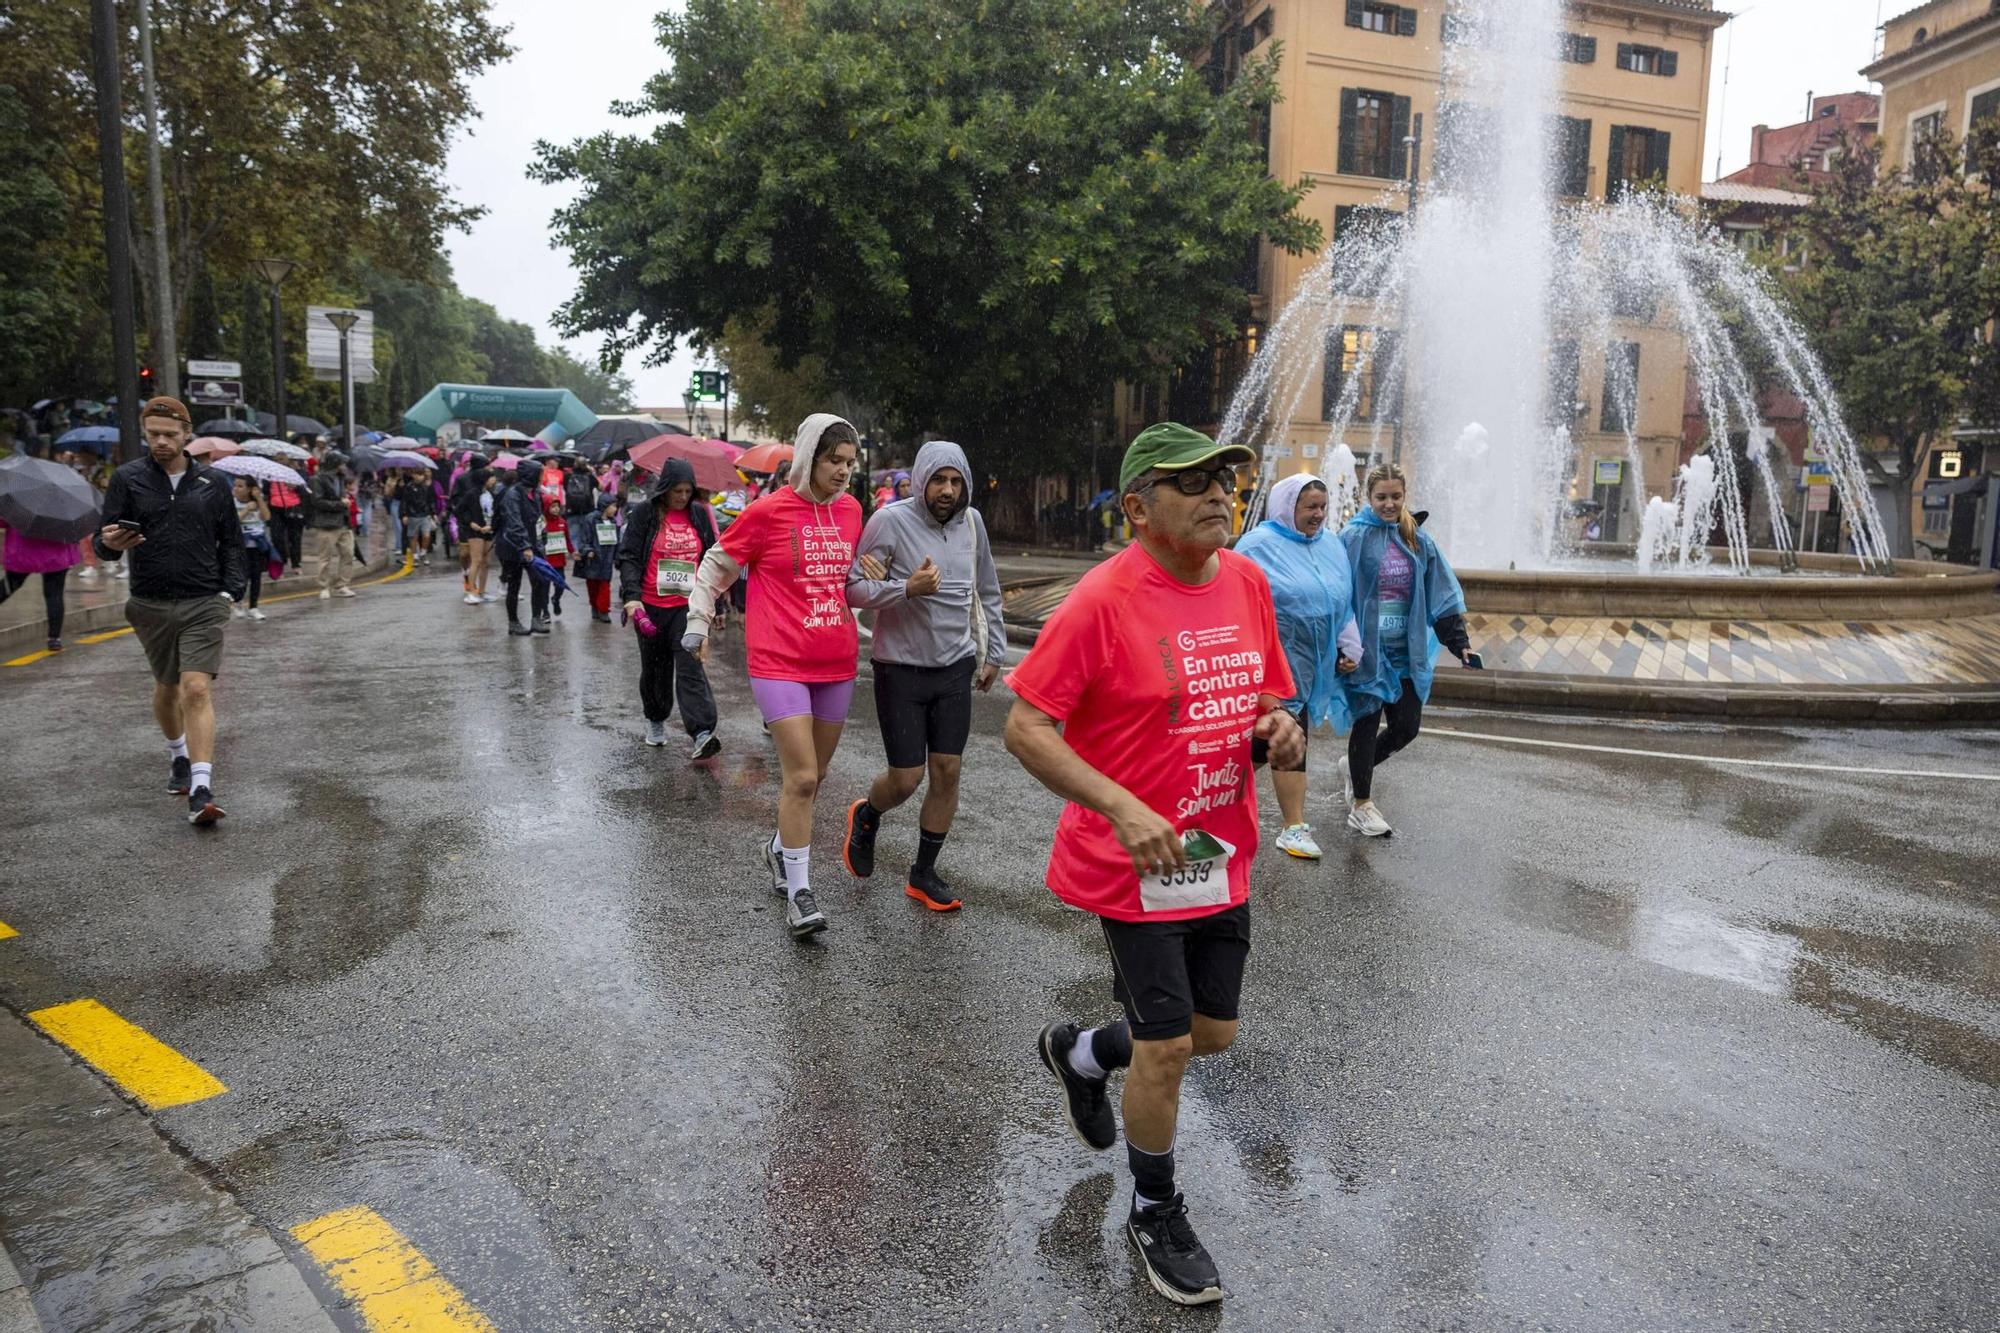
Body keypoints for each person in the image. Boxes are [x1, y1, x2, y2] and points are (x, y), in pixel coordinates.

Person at [1003, 421, 1302, 1308]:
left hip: (1218, 851)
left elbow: (1265, 693)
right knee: (1169, 1047)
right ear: (1138, 507)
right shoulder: (1102, 599)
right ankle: (1155, 1206)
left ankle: (1083, 1053)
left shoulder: (1247, 580)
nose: (1220, 491)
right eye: (1194, 481)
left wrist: (1277, 723)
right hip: (1135, 860)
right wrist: (1124, 807)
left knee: (1212, 1035)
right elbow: (1025, 725)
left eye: (1226, 478)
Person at [685, 414, 866, 939]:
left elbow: (850, 580)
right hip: (779, 661)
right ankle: (800, 893)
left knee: (815, 778)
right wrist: (698, 622)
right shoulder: (768, 513)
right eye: (835, 461)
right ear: (811, 458)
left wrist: (890, 583)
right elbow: (717, 566)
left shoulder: (852, 512)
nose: (843, 473)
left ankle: (779, 848)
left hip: (836, 662)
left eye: (850, 464)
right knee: (803, 777)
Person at [840, 441, 1005, 912]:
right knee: (906, 778)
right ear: (921, 480)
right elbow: (855, 588)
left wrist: (992, 652)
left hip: (955, 666)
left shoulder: (973, 524)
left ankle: (923, 873)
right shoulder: (889, 523)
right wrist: (906, 588)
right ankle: (868, 815)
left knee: (948, 771)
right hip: (901, 669)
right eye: (938, 480)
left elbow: (988, 590)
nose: (947, 491)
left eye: (955, 482)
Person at [93, 396, 245, 826]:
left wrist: (229, 593)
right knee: (166, 688)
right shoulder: (128, 479)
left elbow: (231, 542)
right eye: (153, 434)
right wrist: (109, 544)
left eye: (169, 435)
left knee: (195, 688)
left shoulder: (213, 484)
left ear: (186, 435)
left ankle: (201, 787)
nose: (160, 442)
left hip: (204, 601)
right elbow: (101, 541)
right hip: (149, 602)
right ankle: (178, 754)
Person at [1233, 473, 1363, 860]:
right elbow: (1232, 597)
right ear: (1288, 507)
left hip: (1312, 666)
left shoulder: (1331, 545)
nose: (1319, 514)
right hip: (1269, 667)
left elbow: (1342, 599)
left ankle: (1203, 805)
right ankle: (1292, 826)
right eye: (1310, 507)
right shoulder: (1257, 546)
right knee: (1283, 742)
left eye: (1323, 506)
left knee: (1263, 747)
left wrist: (1349, 643)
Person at [1335, 462, 1469, 838]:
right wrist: (1338, 647)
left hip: (1405, 652)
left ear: (1404, 496)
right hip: (1366, 651)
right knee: (1366, 719)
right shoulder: (1353, 537)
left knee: (1406, 728)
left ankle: (1355, 766)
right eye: (1381, 497)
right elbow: (1337, 594)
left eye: (1396, 496)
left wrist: (1459, 643)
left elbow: (1441, 592)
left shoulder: (1417, 538)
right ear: (1369, 497)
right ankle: (1361, 804)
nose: (1389, 504)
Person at [616, 458, 721, 756]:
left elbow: (713, 560)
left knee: (690, 665)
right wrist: (632, 596)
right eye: (678, 491)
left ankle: (701, 732)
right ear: (664, 490)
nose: (683, 497)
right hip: (649, 606)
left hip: (687, 608)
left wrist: (716, 604)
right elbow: (629, 557)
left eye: (688, 491)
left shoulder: (698, 515)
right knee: (655, 668)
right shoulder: (645, 515)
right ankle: (656, 719)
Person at [1, 521, 80, 651]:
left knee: (8, 586)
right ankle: (54, 639)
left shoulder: (17, 501)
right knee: (54, 595)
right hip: (56, 552)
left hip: (22, 550)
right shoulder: (63, 502)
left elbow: (3, 521)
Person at [495, 458, 552, 636]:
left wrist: (542, 539)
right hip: (512, 547)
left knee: (540, 581)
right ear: (531, 475)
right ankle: (513, 622)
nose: (542, 477)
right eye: (540, 473)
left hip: (532, 544)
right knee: (514, 584)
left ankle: (536, 618)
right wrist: (525, 546)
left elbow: (538, 519)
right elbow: (514, 522)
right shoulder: (513, 494)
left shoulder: (534, 494)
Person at [306, 451, 357, 599]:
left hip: (343, 522)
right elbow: (317, 502)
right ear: (335, 464)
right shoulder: (317, 479)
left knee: (348, 554)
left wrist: (344, 501)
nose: (344, 466)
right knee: (325, 557)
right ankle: (324, 586)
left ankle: (343, 585)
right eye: (342, 463)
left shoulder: (341, 478)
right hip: (326, 524)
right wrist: (340, 504)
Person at [451, 457, 495, 604]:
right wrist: (469, 522)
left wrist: (493, 524)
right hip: (471, 528)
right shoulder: (465, 484)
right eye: (487, 468)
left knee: (486, 561)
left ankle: (481, 591)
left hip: (487, 529)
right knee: (471, 557)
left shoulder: (489, 493)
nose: (491, 472)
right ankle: (470, 589)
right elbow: (458, 507)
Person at [229, 476, 274, 621]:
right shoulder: (231, 502)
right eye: (235, 485)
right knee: (241, 576)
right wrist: (247, 509)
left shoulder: (256, 502)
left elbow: (266, 517)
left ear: (249, 489)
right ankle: (237, 603)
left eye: (240, 486)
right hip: (240, 545)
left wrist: (259, 499)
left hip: (257, 544)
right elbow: (233, 522)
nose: (236, 488)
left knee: (256, 576)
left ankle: (254, 607)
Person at [572, 487, 619, 623]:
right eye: (613, 506)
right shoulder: (590, 519)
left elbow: (616, 541)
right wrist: (588, 550)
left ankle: (604, 610)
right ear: (605, 506)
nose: (615, 509)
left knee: (605, 585)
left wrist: (617, 557)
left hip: (607, 558)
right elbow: (584, 537)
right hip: (593, 559)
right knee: (592, 585)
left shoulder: (613, 522)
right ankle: (595, 607)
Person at [537, 457, 571, 619]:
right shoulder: (541, 522)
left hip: (559, 560)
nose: (556, 509)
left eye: (557, 506)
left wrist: (573, 552)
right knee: (543, 586)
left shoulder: (563, 522)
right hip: (545, 559)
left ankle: (556, 599)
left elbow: (568, 539)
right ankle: (544, 611)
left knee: (560, 585)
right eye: (552, 506)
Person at [400, 465, 439, 565]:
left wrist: (434, 513)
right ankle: (415, 556)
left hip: (425, 514)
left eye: (421, 475)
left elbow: (431, 501)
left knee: (426, 535)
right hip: (413, 514)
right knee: (414, 537)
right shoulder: (408, 487)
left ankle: (423, 553)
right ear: (413, 475)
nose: (419, 477)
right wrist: (404, 514)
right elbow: (404, 501)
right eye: (417, 474)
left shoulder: (426, 487)